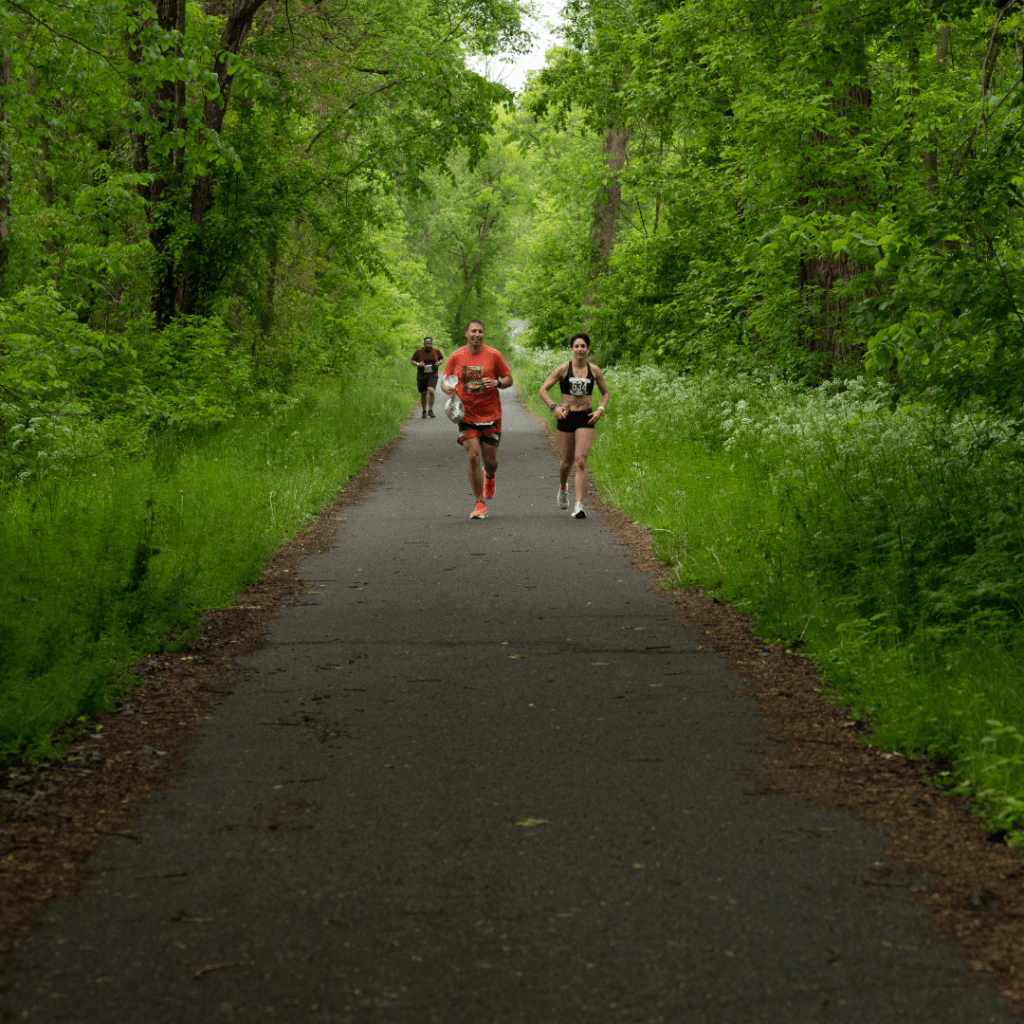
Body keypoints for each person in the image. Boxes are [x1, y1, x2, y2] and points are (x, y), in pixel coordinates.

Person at [439, 320, 513, 520]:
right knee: (473, 456)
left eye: (480, 331)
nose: (477, 334)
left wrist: (497, 382)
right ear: (466, 334)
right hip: (467, 414)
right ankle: (479, 503)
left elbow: (508, 379)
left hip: (490, 415)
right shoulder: (456, 356)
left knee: (490, 461)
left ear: (483, 335)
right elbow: (445, 381)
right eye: (473, 331)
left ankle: (490, 476)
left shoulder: (494, 355)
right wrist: (448, 390)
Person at [537, 332, 609, 519]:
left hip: (585, 417)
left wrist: (600, 410)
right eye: (576, 346)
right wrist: (554, 407)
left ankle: (578, 504)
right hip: (566, 417)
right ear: (572, 349)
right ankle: (563, 488)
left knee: (581, 459)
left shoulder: (594, 370)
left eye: (583, 346)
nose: (579, 349)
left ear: (587, 349)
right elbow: (543, 389)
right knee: (566, 462)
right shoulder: (563, 369)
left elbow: (605, 394)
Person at [411, 336, 444, 418]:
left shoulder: (436, 351)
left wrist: (439, 363)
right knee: (424, 393)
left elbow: (441, 358)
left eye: (430, 344)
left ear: (432, 344)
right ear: (424, 344)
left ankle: (430, 410)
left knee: (431, 390)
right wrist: (419, 364)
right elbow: (412, 360)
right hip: (422, 376)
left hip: (433, 374)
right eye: (427, 344)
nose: (429, 345)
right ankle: (424, 411)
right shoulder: (419, 351)